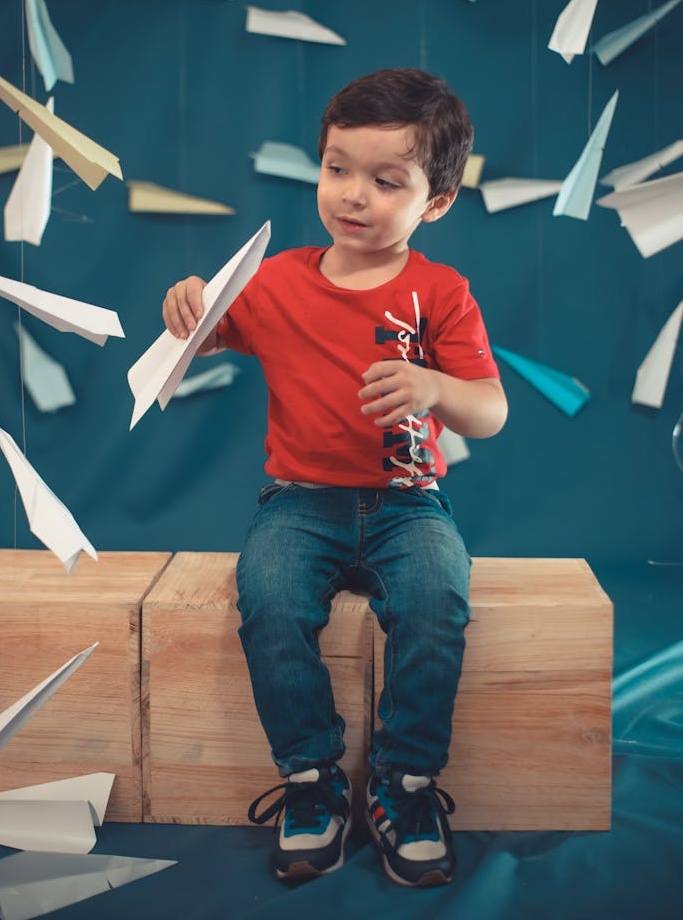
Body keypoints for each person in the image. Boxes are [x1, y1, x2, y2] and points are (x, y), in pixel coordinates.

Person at [162, 68, 508, 888]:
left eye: (386, 181)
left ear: (437, 203)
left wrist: (433, 387)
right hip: (301, 500)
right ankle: (311, 777)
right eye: (337, 168)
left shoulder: (440, 292)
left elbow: (489, 410)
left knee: (436, 597)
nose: (353, 195)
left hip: (407, 503)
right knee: (270, 596)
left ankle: (404, 782)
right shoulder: (276, 278)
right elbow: (207, 336)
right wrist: (187, 311)